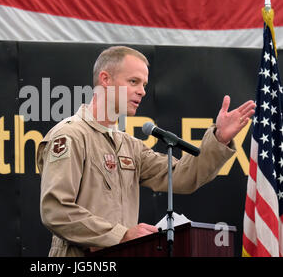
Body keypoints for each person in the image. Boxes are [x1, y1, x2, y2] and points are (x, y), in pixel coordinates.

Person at [37, 46, 256, 257]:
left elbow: (183, 176)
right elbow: (56, 211)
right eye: (133, 81)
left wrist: (218, 139)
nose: (142, 91)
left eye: (144, 84)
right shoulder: (71, 135)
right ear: (105, 79)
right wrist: (121, 235)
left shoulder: (130, 145)